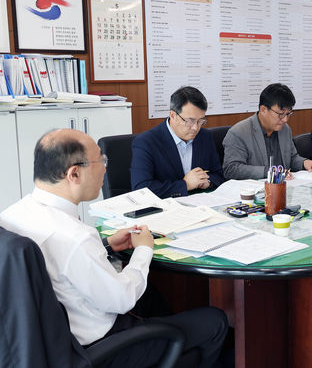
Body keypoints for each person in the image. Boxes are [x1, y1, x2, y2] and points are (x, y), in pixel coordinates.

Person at [0, 129, 227, 367]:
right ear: (74, 173)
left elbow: (59, 261)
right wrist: (143, 250)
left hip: (48, 339)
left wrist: (106, 245)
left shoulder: (13, 214)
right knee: (214, 320)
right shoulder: (75, 237)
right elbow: (122, 299)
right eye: (100, 160)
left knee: (152, 296)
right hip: (97, 347)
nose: (105, 169)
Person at [131, 86, 225, 198]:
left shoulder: (204, 136)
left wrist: (208, 182)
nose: (195, 128)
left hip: (201, 203)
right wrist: (185, 185)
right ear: (173, 115)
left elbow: (218, 174)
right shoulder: (146, 142)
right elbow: (141, 189)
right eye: (190, 121)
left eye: (201, 121)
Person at [222, 83, 312, 179]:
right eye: (281, 114)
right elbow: (231, 169)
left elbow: (291, 158)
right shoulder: (238, 133)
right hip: (254, 188)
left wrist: (304, 163)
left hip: (283, 185)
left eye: (288, 114)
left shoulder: (285, 129)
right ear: (263, 110)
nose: (285, 120)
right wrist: (269, 172)